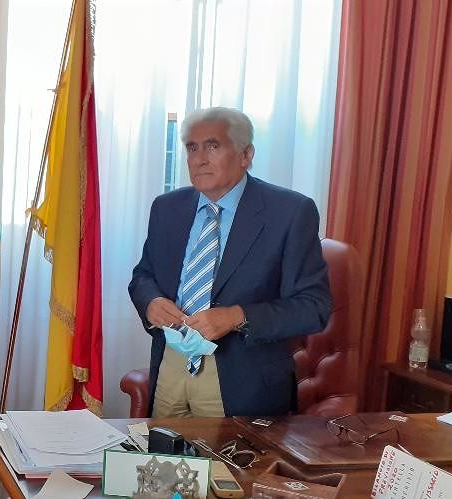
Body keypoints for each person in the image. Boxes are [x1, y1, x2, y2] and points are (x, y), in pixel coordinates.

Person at [128, 106, 331, 417]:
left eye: (213, 146)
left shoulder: (290, 213)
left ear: (246, 154)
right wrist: (151, 302)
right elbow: (143, 276)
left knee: (228, 454)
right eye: (192, 148)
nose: (199, 159)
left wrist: (237, 316)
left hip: (242, 380)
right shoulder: (167, 208)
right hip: (170, 366)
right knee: (162, 450)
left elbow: (313, 307)